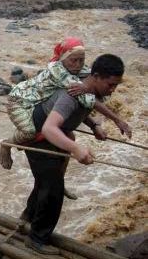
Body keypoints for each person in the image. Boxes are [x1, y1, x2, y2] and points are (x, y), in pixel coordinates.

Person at [20, 54, 125, 255]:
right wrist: (76, 149)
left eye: (116, 86)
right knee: (53, 189)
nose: (113, 90)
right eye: (110, 85)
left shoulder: (88, 90)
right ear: (95, 76)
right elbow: (51, 128)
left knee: (46, 182)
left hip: (54, 137)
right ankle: (36, 239)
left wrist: (94, 125)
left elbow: (85, 106)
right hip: (40, 137)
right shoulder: (72, 94)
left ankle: (27, 217)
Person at [0, 38, 131, 177]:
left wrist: (93, 126)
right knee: (29, 131)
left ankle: (60, 177)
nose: (78, 65)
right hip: (19, 101)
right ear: (62, 59)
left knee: (70, 137)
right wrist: (117, 120)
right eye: (73, 60)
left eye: (81, 60)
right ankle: (7, 144)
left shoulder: (80, 71)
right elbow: (87, 99)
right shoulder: (59, 71)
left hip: (38, 100)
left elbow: (87, 89)